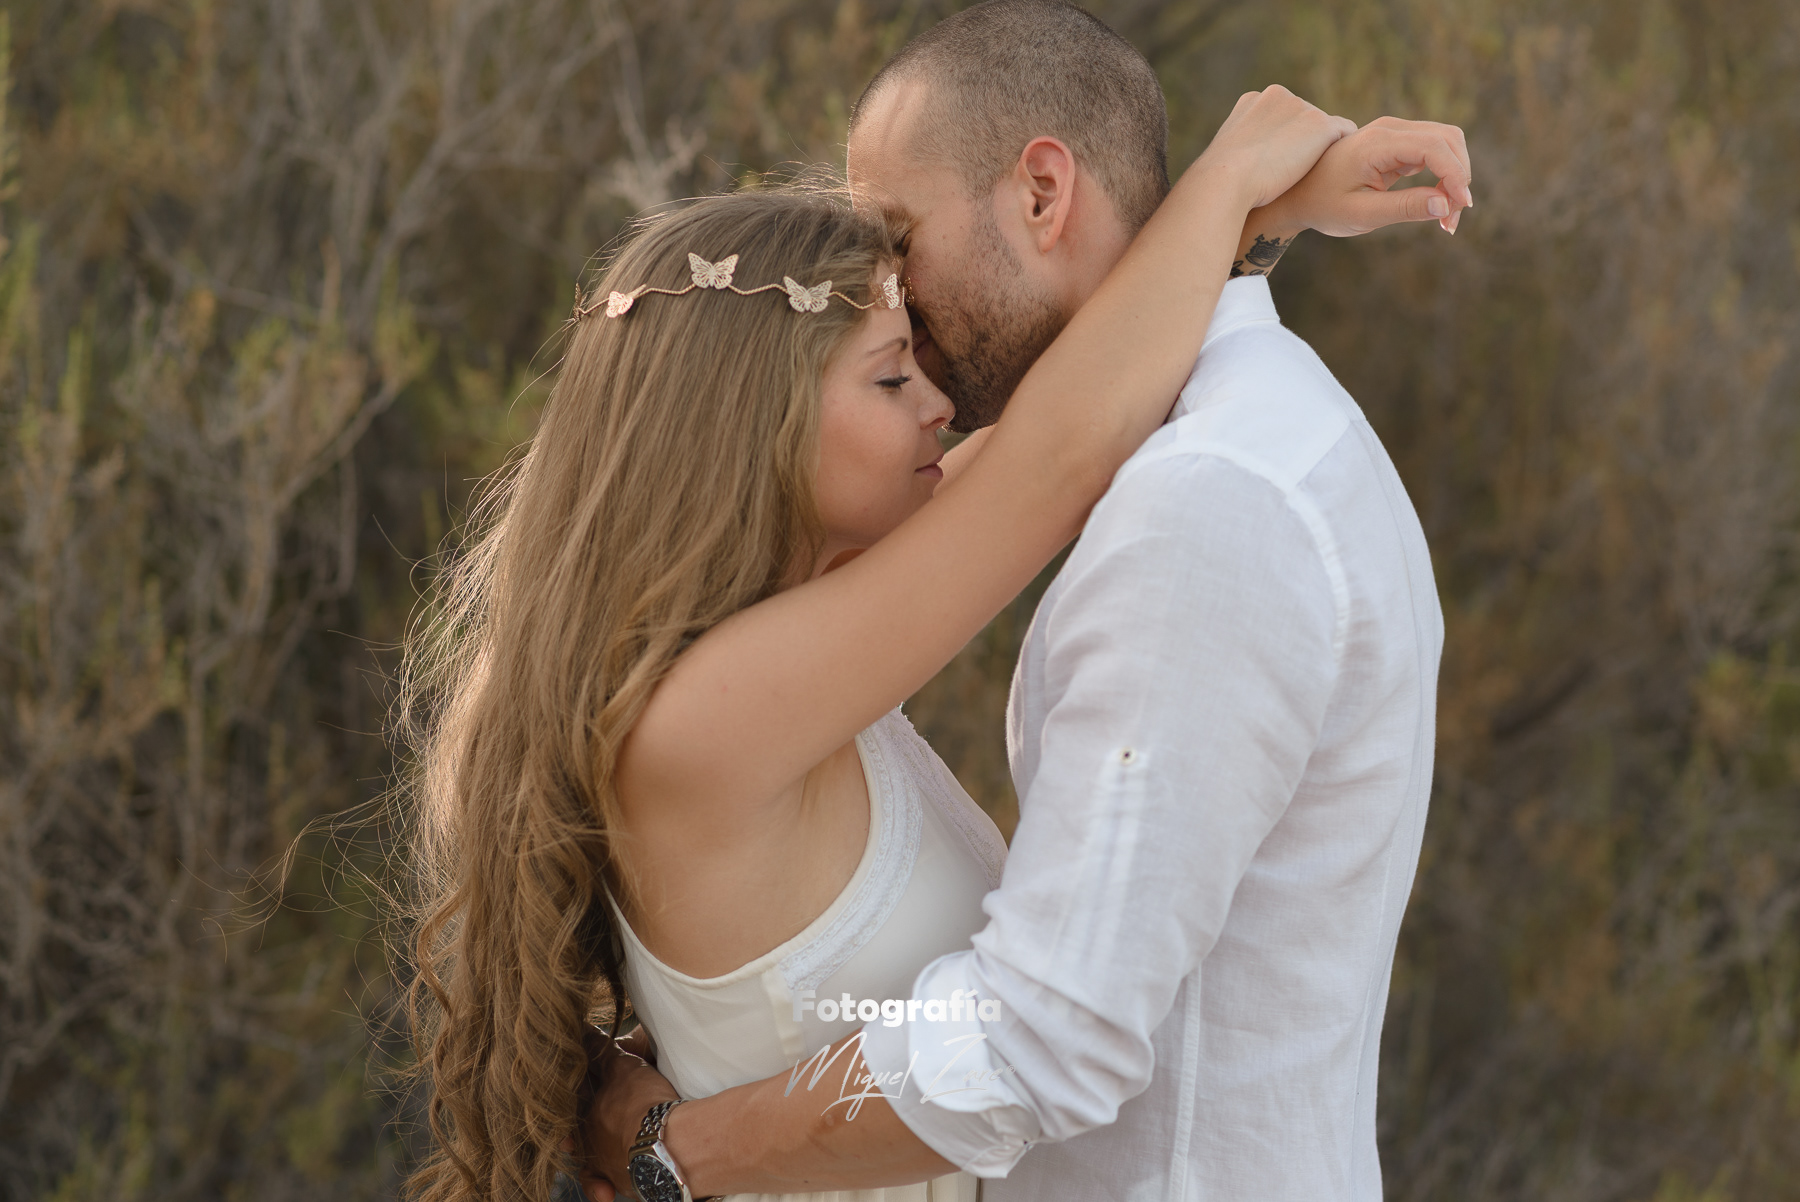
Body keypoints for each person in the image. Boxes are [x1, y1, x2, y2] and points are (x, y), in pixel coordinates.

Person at [574, 2, 1467, 1201]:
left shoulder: (1206, 503)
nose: (888, 287)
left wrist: (675, 1152)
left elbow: (1040, 1041)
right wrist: (1240, 208)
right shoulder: (1247, 450)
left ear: (1043, 193)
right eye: (881, 372)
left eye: (897, 235)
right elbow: (1049, 451)